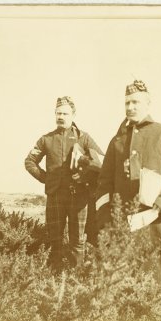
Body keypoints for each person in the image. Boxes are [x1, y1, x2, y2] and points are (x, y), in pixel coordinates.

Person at [96, 80, 161, 282]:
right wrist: (108, 219)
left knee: (154, 290)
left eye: (135, 102)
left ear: (148, 104)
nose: (130, 108)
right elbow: (104, 183)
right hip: (124, 229)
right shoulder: (117, 141)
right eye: (127, 103)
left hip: (158, 227)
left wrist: (156, 210)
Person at [25, 96, 103, 268]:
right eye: (58, 113)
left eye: (65, 113)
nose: (61, 116)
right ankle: (55, 279)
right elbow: (29, 162)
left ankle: (76, 279)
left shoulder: (84, 138)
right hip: (55, 195)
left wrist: (85, 177)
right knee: (55, 239)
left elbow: (100, 163)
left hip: (79, 196)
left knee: (78, 240)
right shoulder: (46, 139)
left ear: (73, 115)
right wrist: (47, 179)